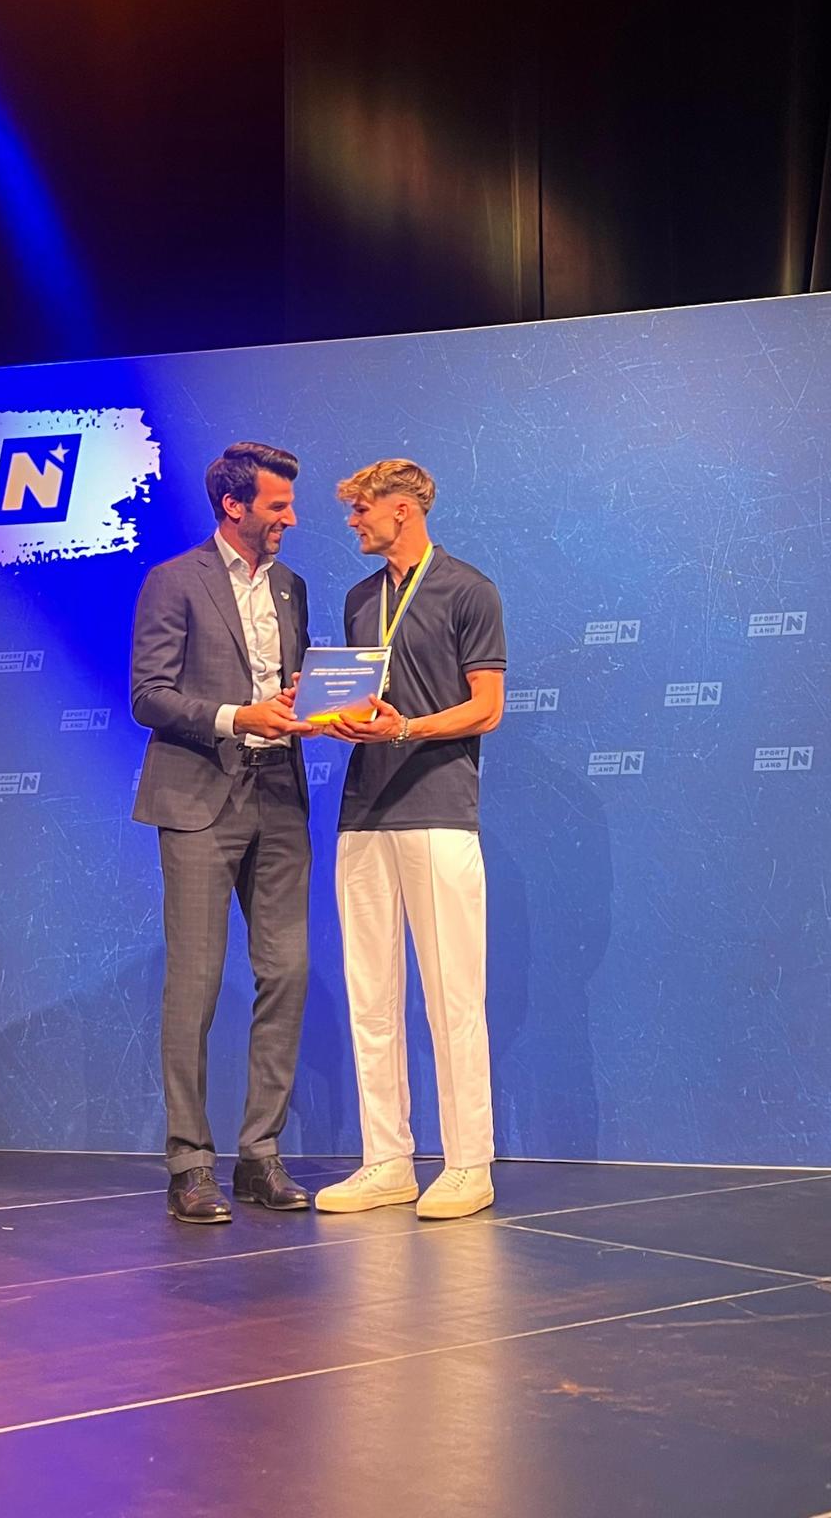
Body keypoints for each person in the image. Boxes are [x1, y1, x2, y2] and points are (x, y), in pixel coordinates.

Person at [311, 459, 506, 1221]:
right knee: (371, 996)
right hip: (363, 812)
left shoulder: (469, 589)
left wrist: (407, 729)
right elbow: (363, 701)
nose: (353, 522)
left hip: (438, 809)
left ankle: (468, 1165)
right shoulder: (361, 598)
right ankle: (386, 1160)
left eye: (361, 510)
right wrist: (328, 715)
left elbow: (487, 707)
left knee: (453, 995)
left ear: (401, 509)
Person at [131, 441, 315, 1224]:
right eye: (278, 505)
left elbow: (288, 691)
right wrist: (238, 716)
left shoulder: (292, 587)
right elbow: (148, 694)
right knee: (197, 984)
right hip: (199, 798)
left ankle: (260, 1155)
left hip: (280, 796)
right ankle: (190, 1164)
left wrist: (316, 705)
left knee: (289, 971)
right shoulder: (174, 581)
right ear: (234, 506)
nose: (291, 519)